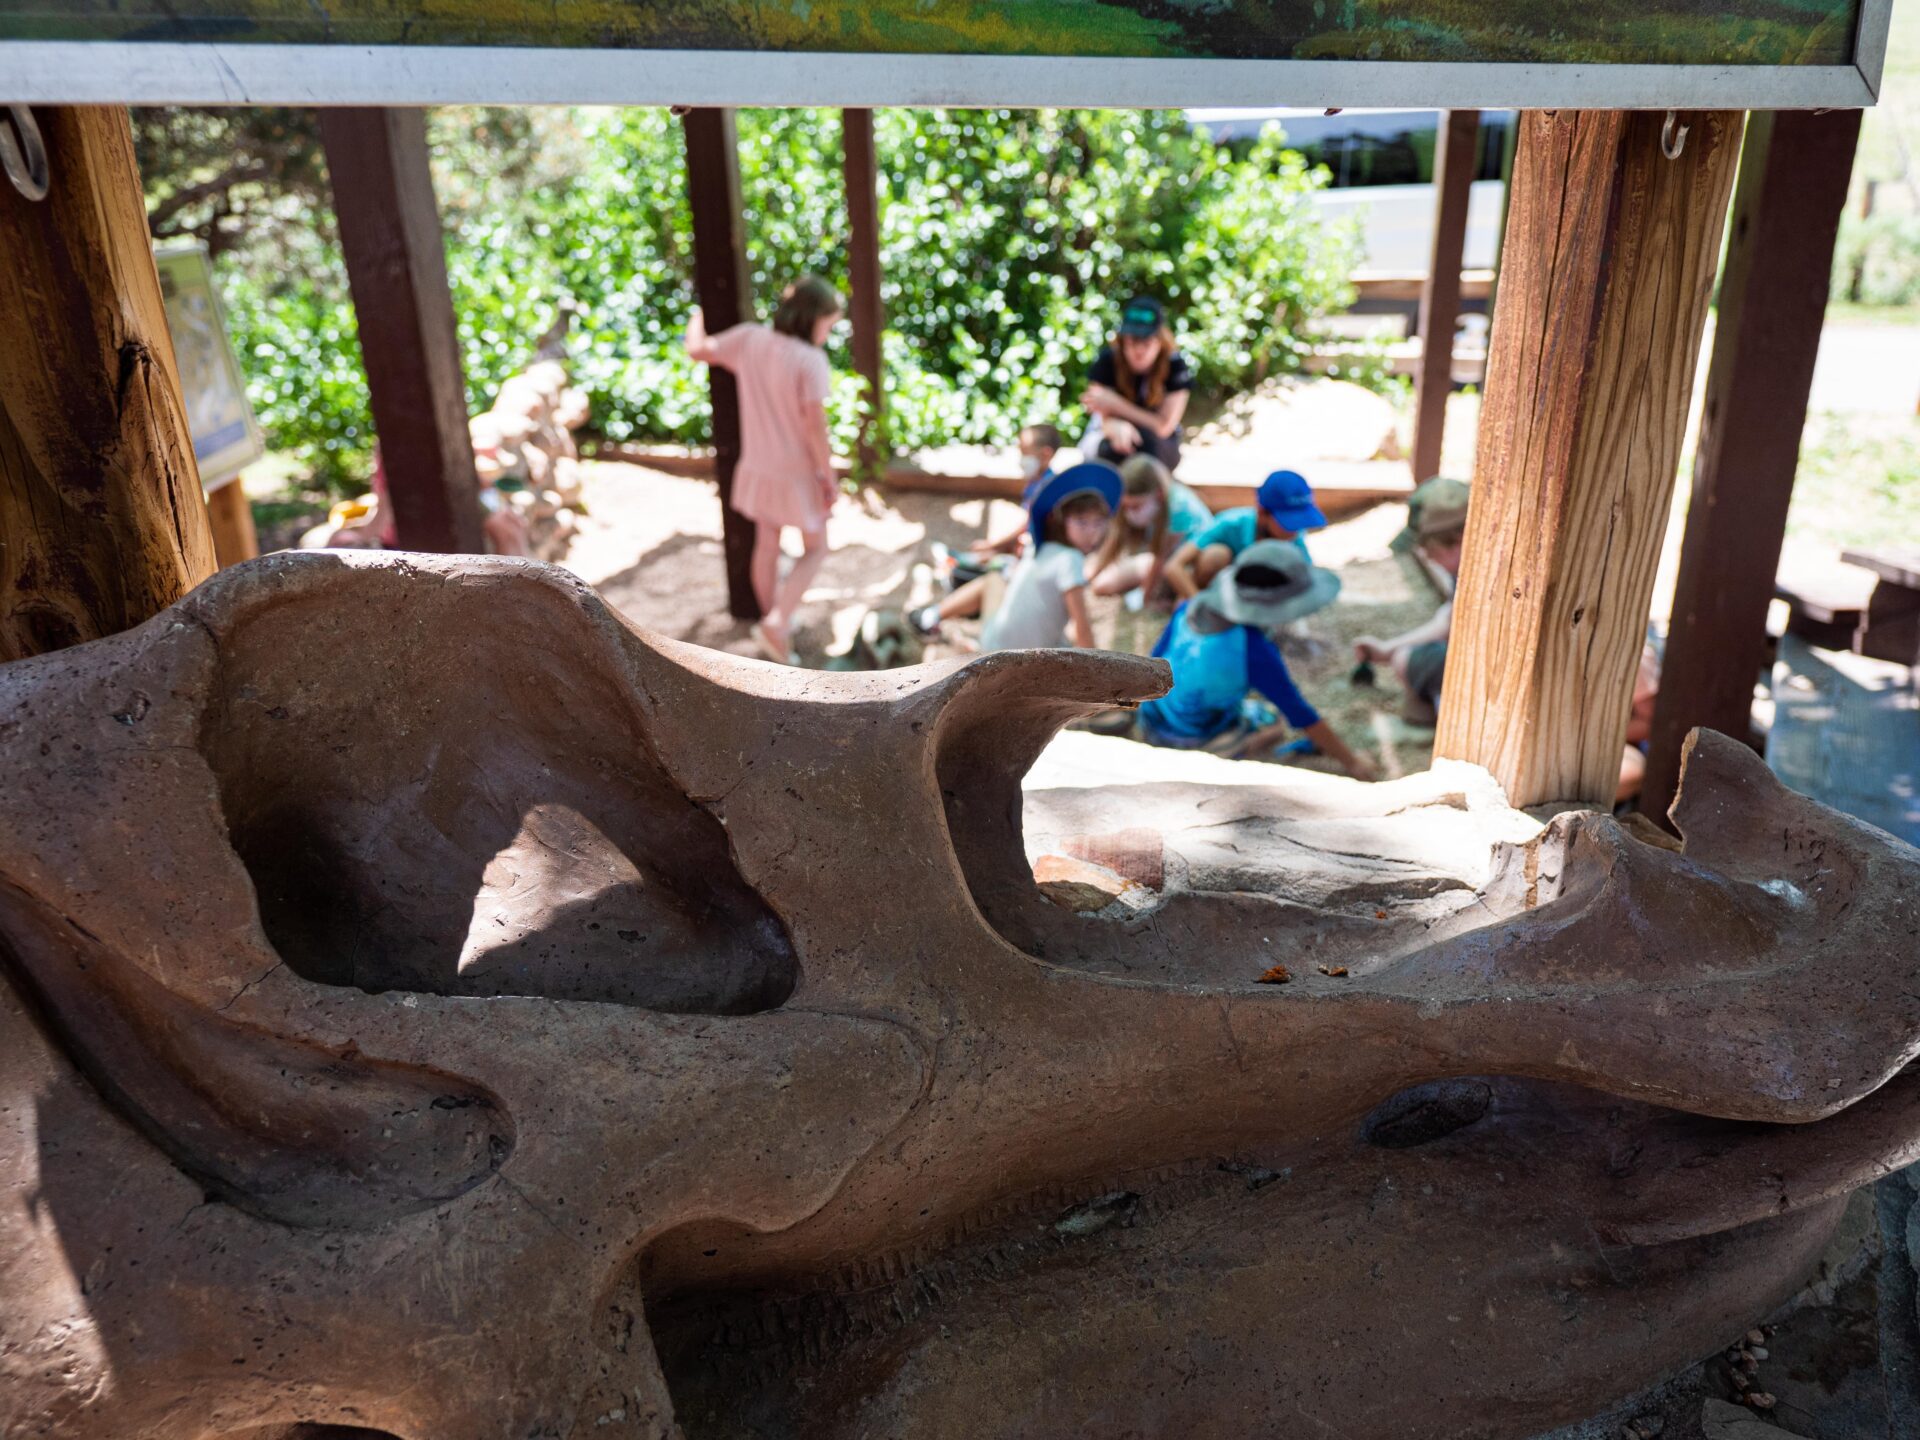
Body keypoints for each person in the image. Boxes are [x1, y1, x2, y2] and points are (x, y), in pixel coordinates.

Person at [685, 275, 843, 665]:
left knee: (766, 543)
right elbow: (815, 428)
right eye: (829, 325)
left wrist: (698, 312)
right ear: (812, 318)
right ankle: (778, 622)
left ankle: (774, 625)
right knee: (817, 548)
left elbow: (698, 349)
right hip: (797, 472)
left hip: (758, 465)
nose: (829, 334)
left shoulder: (750, 339)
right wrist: (828, 476)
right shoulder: (810, 360)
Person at [1139, 541, 1374, 779]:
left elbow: (1156, 656)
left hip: (1152, 716)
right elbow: (1300, 713)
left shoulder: (1190, 607)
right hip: (1190, 736)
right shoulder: (1251, 649)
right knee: (1275, 725)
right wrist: (1353, 763)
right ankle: (1233, 748)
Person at [1352, 476, 1470, 726]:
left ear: (1459, 539)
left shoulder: (1481, 580)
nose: (1426, 556)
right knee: (1406, 657)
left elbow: (1448, 624)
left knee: (1406, 660)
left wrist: (1393, 652)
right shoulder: (1463, 572)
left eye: (1429, 549)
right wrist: (1387, 648)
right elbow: (1448, 618)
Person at [970, 461, 1121, 652]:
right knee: (994, 580)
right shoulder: (1071, 559)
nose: (1092, 532)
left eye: (1098, 522)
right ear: (1060, 522)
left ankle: (938, 615)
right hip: (1021, 657)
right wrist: (1099, 667)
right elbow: (1082, 629)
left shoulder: (1039, 548)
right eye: (1082, 522)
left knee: (994, 580)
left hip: (997, 647)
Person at [1164, 469, 1325, 601]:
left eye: (1301, 522)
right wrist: (1197, 602)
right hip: (1215, 595)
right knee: (1216, 555)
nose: (1296, 530)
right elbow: (1173, 566)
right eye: (1288, 522)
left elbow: (1308, 581)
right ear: (1262, 512)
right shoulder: (1230, 524)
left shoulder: (1294, 538)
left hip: (1255, 601)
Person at [1080, 296, 1194, 473]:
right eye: (1133, 341)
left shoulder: (1175, 366)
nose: (1139, 350)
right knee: (1108, 450)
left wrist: (1115, 404)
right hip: (1111, 435)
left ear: (1159, 341)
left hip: (1157, 444)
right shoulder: (1108, 360)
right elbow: (1099, 413)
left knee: (1149, 448)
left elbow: (1164, 427)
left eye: (1146, 342)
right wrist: (1114, 425)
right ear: (1123, 340)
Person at [1087, 455, 1213, 605]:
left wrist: (1145, 599)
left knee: (1180, 604)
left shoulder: (1179, 507)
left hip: (1189, 566)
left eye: (1136, 506)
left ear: (1158, 494)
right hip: (1166, 564)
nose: (1130, 513)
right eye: (1126, 507)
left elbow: (1161, 558)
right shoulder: (1154, 501)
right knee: (1102, 584)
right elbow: (1116, 538)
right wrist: (1092, 575)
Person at [970, 424, 1069, 561]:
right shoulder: (1034, 483)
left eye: (1025, 453)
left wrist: (991, 545)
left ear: (1046, 454)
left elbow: (1026, 524)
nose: (1021, 459)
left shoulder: (1047, 487)